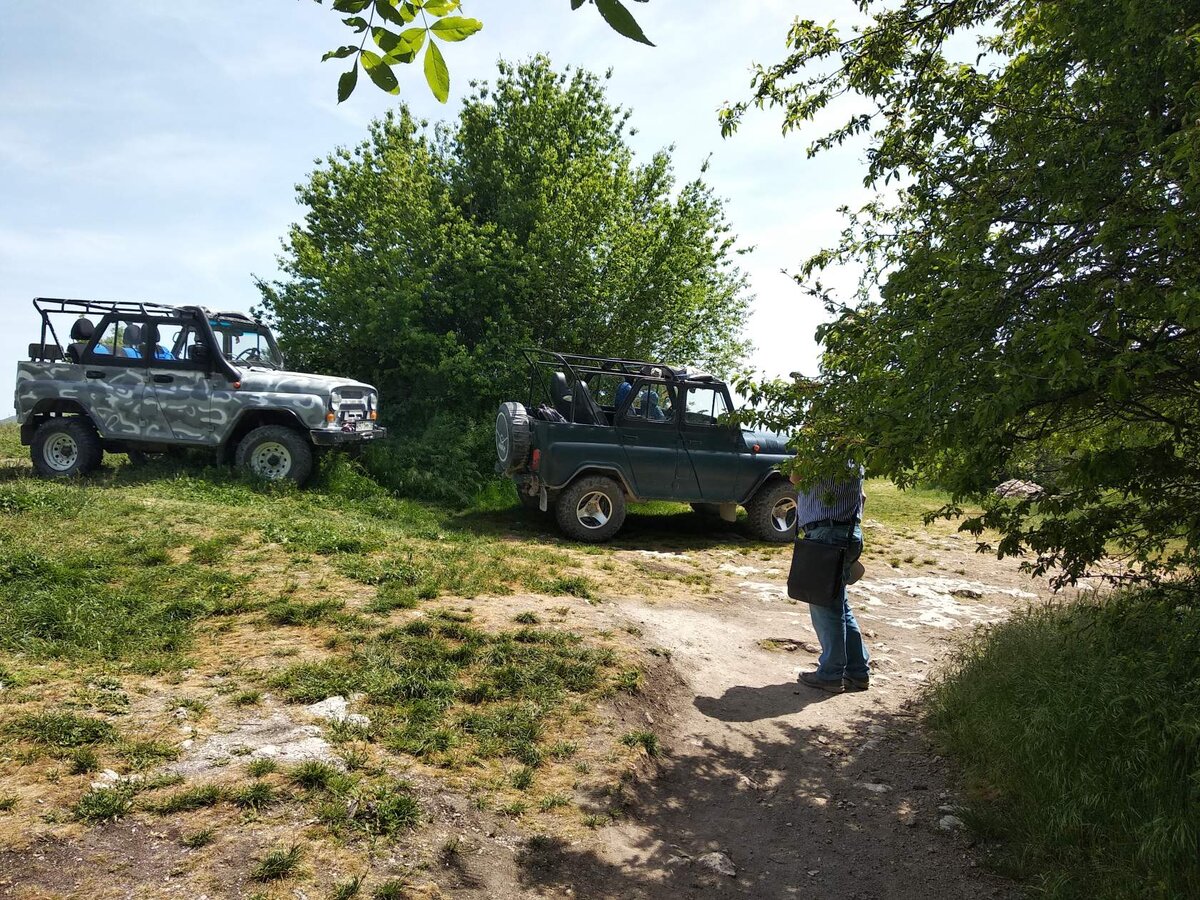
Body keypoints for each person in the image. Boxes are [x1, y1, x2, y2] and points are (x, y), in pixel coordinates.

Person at [794, 465, 869, 693]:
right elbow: (862, 496)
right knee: (839, 605)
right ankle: (857, 672)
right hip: (848, 532)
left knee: (825, 607)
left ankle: (830, 674)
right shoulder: (852, 453)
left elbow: (795, 477)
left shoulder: (817, 450)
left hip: (826, 534)